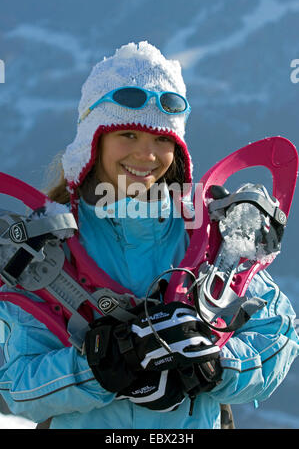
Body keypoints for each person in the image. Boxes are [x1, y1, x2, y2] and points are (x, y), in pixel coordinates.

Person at [0, 41, 298, 430]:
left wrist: (216, 364)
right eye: (127, 134)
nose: (147, 155)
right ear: (94, 140)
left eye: (162, 140)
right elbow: (17, 384)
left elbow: (280, 332)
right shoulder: (46, 252)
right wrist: (97, 368)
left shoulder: (207, 239)